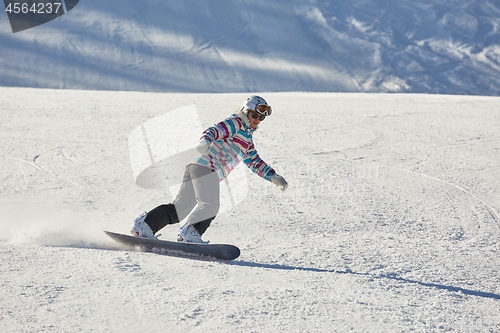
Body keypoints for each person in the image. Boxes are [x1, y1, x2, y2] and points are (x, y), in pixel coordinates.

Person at [130, 95, 288, 243]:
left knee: (180, 208)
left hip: (196, 167)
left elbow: (254, 161)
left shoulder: (246, 139)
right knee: (210, 205)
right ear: (246, 112)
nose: (257, 120)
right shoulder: (236, 123)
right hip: (207, 167)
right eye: (255, 115)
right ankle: (191, 233)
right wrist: (205, 140)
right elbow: (215, 130)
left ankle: (145, 226)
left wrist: (272, 176)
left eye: (261, 118)